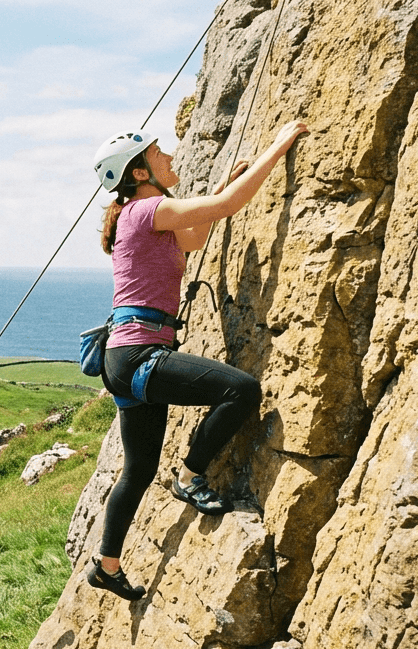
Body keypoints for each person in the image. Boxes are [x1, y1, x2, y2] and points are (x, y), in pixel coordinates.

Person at [86, 122, 309, 601]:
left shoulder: (139, 215)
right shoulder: (149, 207)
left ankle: (106, 565)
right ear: (140, 171)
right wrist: (279, 145)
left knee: (139, 469)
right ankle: (190, 476)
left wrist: (229, 176)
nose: (170, 157)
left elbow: (194, 238)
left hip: (124, 357)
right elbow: (228, 207)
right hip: (140, 353)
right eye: (159, 153)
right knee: (242, 391)